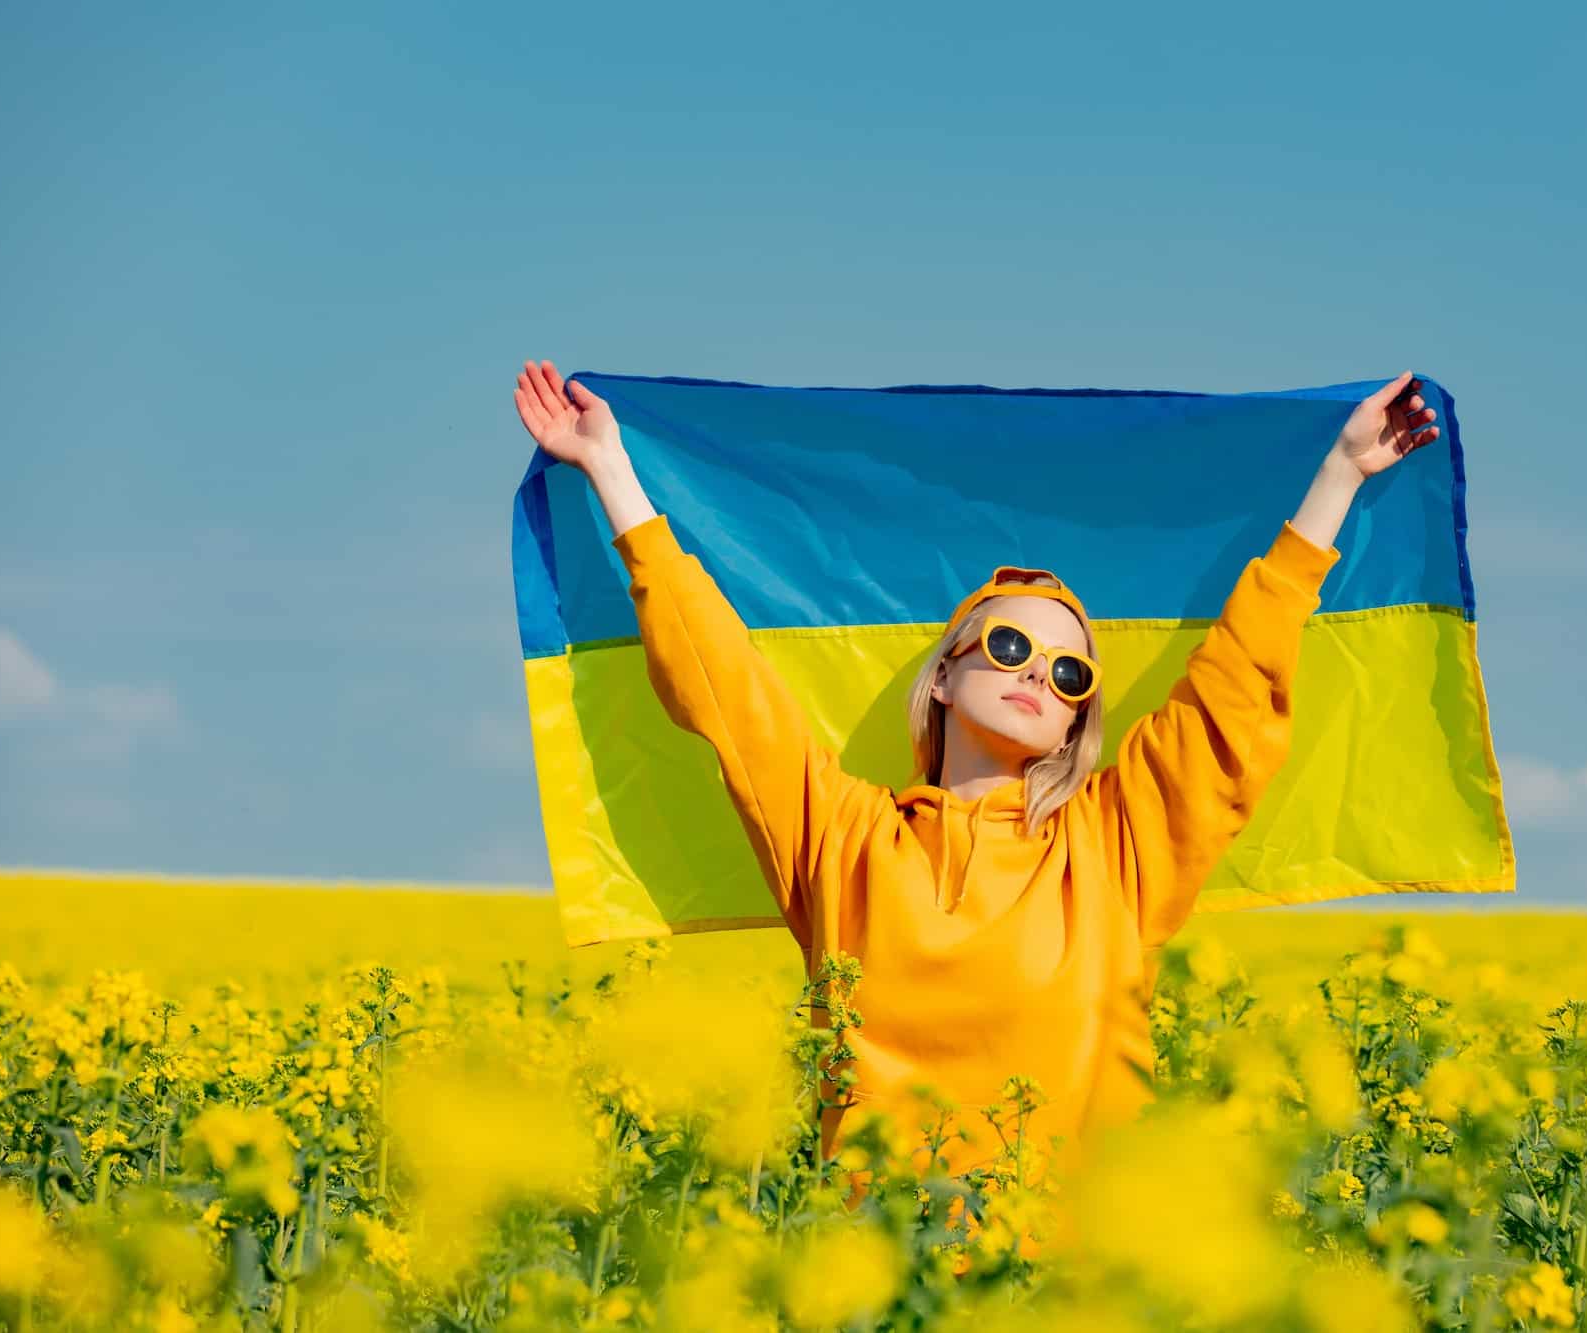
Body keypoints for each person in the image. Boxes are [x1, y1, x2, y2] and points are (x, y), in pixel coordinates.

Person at [510, 359, 1440, 1194]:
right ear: (947, 673)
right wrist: (610, 469)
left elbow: (1233, 691)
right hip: (878, 1288)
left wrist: (1341, 475)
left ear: (1079, 716)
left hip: (1074, 1293)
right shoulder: (842, 841)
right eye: (1010, 644)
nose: (1041, 672)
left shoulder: (1115, 851)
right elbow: (724, 687)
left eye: (1070, 672)